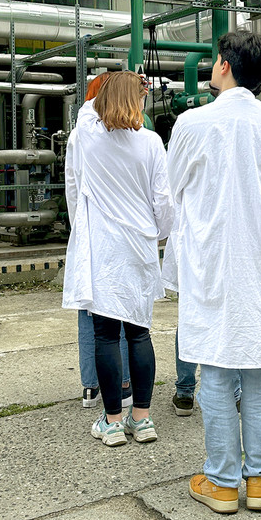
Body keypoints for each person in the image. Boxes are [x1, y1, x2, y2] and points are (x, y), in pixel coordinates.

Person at [163, 30, 261, 514]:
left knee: (215, 369)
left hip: (210, 259)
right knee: (258, 370)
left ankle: (220, 482)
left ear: (223, 65)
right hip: (257, 261)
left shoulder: (191, 123)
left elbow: (174, 188)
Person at [62, 70, 173, 447]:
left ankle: (111, 423)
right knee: (140, 332)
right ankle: (141, 419)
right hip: (140, 246)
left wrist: (116, 88)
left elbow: (74, 187)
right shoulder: (152, 142)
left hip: (103, 249)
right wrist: (156, 233)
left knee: (106, 334)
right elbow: (164, 202)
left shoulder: (87, 137)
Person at [74, 74, 131, 412]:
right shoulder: (133, 136)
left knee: (89, 312)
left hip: (88, 231)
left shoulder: (81, 135)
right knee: (119, 313)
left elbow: (72, 185)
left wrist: (78, 227)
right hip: (122, 236)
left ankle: (90, 385)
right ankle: (122, 382)